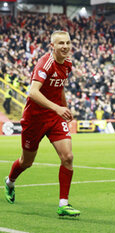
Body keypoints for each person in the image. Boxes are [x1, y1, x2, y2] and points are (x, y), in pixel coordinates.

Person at [3, 31, 80, 217]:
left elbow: (59, 86)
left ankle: (63, 204)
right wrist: (57, 108)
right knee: (26, 162)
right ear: (51, 46)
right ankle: (10, 182)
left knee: (68, 157)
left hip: (55, 118)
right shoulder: (45, 64)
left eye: (68, 43)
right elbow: (33, 92)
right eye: (60, 43)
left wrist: (65, 108)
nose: (65, 46)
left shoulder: (67, 64)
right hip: (34, 119)